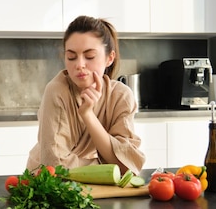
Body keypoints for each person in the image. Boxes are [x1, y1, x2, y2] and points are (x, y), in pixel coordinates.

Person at [26, 15, 145, 175]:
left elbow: (127, 165)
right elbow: (55, 165)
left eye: (89, 56)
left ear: (109, 58)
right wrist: (102, 167)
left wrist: (87, 115)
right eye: (71, 57)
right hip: (48, 182)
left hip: (96, 183)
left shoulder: (121, 96)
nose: (79, 65)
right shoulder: (56, 91)